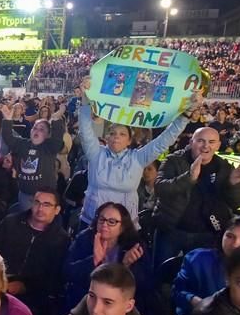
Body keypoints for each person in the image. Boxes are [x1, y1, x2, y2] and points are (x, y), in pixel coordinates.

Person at [77, 78, 197, 229]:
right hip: (92, 223)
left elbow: (164, 141)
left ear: (129, 141)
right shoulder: (95, 154)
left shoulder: (138, 158)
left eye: (122, 134)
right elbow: (85, 131)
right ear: (106, 137)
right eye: (112, 133)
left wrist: (185, 117)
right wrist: (85, 100)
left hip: (125, 227)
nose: (116, 137)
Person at [152, 126, 240, 264]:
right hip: (172, 230)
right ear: (191, 142)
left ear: (218, 145)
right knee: (160, 275)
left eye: (211, 142)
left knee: (199, 278)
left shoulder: (224, 167)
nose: (206, 146)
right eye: (200, 141)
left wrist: (233, 184)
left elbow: (238, 202)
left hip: (206, 234)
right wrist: (189, 178)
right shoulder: (174, 160)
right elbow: (160, 188)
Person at [0, 187, 70, 315]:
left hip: (33, 294)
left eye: (46, 204)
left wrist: (25, 286)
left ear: (57, 210)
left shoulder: (61, 240)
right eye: (37, 202)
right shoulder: (11, 223)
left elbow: (55, 278)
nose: (40, 208)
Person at [64, 202, 155, 315]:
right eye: (102, 219)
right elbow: (67, 272)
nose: (105, 225)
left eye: (112, 222)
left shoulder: (134, 245)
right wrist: (93, 261)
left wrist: (125, 266)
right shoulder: (84, 238)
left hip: (120, 305)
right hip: (86, 300)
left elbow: (147, 285)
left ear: (122, 227)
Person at [171, 214, 240, 315]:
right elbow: (178, 291)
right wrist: (197, 302)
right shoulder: (198, 259)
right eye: (230, 236)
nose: (235, 244)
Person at [0, 101, 64, 211]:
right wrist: (7, 120)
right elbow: (8, 137)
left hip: (44, 198)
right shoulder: (22, 144)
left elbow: (57, 139)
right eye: (35, 128)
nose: (37, 130)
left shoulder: (49, 147)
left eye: (42, 129)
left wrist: (56, 119)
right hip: (25, 195)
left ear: (48, 135)